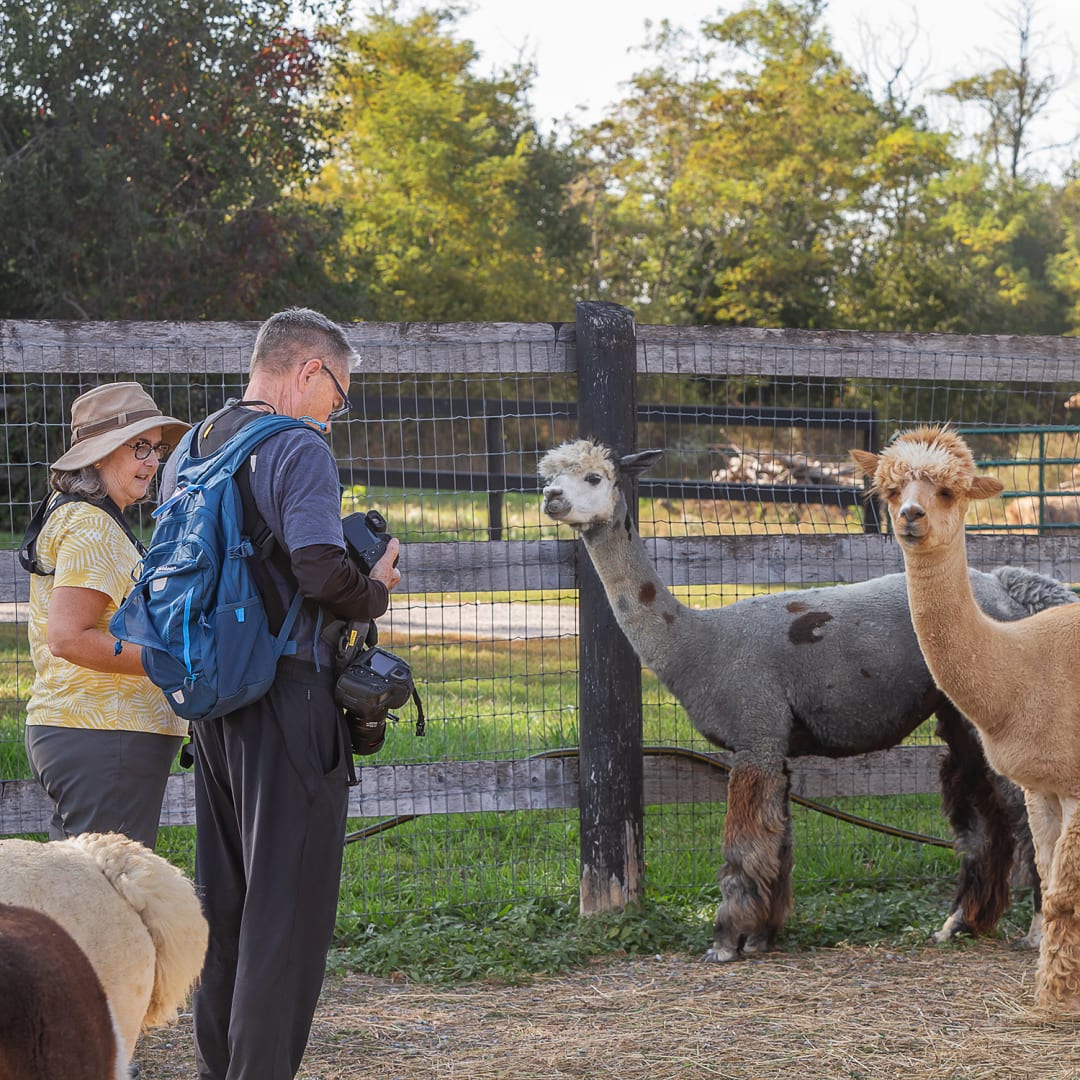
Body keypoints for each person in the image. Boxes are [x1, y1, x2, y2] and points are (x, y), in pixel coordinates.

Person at [159, 308, 401, 1080]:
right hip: (291, 700)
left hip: (216, 701)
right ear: (307, 372)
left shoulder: (191, 449)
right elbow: (321, 570)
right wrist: (377, 589)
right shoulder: (296, 447)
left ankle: (217, 1068)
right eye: (339, 391)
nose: (338, 410)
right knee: (286, 918)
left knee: (224, 907)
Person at [24, 382, 192, 849]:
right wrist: (165, 663)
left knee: (86, 892)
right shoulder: (92, 526)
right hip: (105, 737)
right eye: (139, 446)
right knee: (108, 896)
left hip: (102, 738)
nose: (153, 461)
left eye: (156, 448)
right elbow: (68, 637)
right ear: (99, 455)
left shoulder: (98, 519)